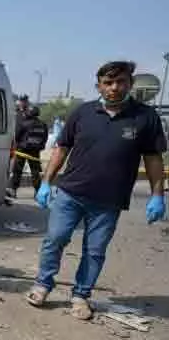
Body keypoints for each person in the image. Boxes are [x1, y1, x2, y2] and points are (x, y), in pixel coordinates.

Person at [25, 61, 167, 320]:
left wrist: (158, 194)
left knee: (95, 250)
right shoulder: (83, 113)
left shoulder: (145, 117)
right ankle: (43, 284)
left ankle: (81, 295)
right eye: (108, 83)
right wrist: (47, 181)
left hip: (109, 201)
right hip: (71, 193)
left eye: (120, 82)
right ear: (98, 86)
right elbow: (61, 148)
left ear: (130, 84)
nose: (114, 87)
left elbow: (153, 159)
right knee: (55, 239)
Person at [7, 105, 48, 197]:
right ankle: (38, 192)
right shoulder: (43, 124)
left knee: (17, 171)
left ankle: (13, 190)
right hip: (35, 151)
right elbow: (45, 138)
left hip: (22, 150)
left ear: (29, 113)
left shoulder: (24, 123)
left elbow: (17, 136)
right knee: (35, 172)